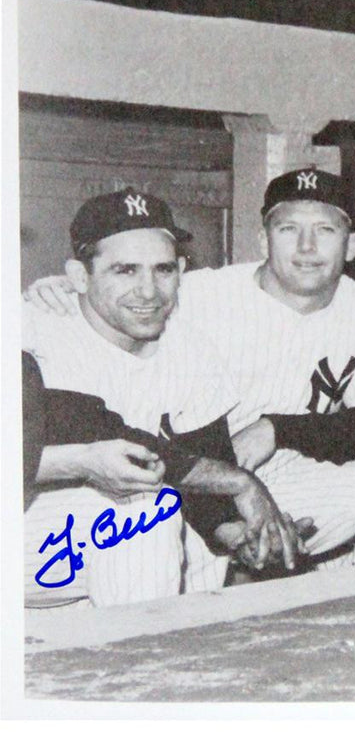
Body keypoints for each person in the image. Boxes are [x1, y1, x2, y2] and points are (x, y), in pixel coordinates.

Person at [25, 169, 355, 567]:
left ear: (351, 245)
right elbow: (83, 413)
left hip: (245, 475)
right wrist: (63, 291)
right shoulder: (196, 297)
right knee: (155, 517)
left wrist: (274, 434)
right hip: (156, 487)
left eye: (325, 230)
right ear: (263, 239)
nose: (307, 247)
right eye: (289, 229)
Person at [23, 189, 300, 607]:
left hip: (89, 541)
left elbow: (204, 454)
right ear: (80, 277)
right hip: (25, 527)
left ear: (182, 271)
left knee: (184, 533)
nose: (148, 291)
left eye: (163, 270)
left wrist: (233, 532)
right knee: (145, 512)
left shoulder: (188, 345)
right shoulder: (37, 327)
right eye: (125, 271)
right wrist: (239, 481)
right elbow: (92, 426)